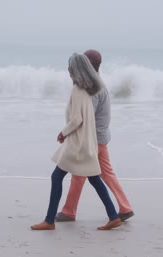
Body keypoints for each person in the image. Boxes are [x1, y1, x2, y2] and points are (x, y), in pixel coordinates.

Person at [30, 53, 121, 231]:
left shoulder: (78, 89)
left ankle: (49, 221)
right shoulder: (90, 87)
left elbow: (77, 119)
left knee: (56, 177)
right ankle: (113, 216)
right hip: (87, 142)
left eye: (70, 66)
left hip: (77, 144)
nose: (68, 69)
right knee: (94, 179)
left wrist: (63, 133)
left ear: (76, 69)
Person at [55, 49, 134, 223]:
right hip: (102, 136)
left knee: (79, 173)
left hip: (93, 138)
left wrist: (67, 133)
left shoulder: (92, 89)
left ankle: (69, 211)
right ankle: (125, 206)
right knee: (106, 173)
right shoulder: (99, 84)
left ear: (88, 65)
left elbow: (82, 118)